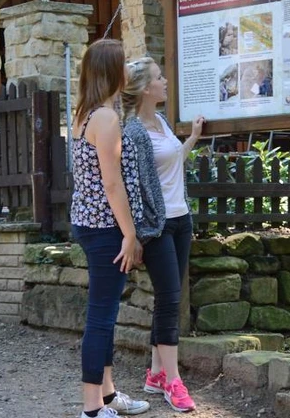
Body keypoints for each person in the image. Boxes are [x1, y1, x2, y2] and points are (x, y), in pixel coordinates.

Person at [69, 39, 151, 418]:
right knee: (101, 315)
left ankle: (107, 395)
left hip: (89, 223)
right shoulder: (106, 119)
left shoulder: (85, 113)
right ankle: (91, 408)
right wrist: (130, 233)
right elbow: (112, 183)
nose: (127, 72)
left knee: (104, 311)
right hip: (104, 227)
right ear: (111, 72)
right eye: (123, 65)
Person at [122, 57, 205, 412]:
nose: (166, 81)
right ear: (144, 88)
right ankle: (174, 382)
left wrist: (193, 139)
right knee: (170, 300)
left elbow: (172, 163)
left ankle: (156, 375)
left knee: (169, 298)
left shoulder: (160, 121)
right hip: (156, 227)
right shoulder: (132, 131)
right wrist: (135, 235)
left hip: (181, 220)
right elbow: (131, 187)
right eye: (159, 77)